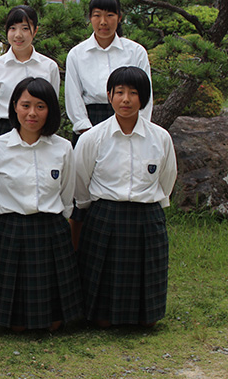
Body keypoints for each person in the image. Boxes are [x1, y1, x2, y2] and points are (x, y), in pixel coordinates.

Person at [74, 66, 177, 328]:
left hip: (146, 216)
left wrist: (150, 201)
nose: (126, 99)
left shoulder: (160, 138)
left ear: (143, 98)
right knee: (103, 304)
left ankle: (146, 313)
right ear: (109, 96)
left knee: (145, 281)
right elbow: (81, 184)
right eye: (119, 92)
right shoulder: (93, 138)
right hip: (104, 216)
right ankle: (100, 313)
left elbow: (166, 180)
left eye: (133, 93)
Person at [0, 77, 82, 332]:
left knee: (54, 324)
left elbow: (68, 195)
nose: (32, 113)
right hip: (12, 230)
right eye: (26, 105)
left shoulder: (63, 148)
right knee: (16, 326)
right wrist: (1, 225)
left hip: (51, 231)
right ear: (14, 106)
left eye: (40, 106)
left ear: (50, 110)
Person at [65, 0, 152, 145]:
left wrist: (138, 127)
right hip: (91, 122)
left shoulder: (136, 52)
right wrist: (87, 131)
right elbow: (73, 97)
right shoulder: (77, 54)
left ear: (119, 17)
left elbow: (146, 94)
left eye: (110, 15)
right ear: (90, 17)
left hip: (129, 120)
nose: (103, 22)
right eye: (97, 15)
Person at [0, 5, 60, 140]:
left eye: (25, 28)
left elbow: (51, 104)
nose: (18, 35)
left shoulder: (49, 67)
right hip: (4, 130)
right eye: (12, 28)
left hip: (37, 129)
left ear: (35, 31)